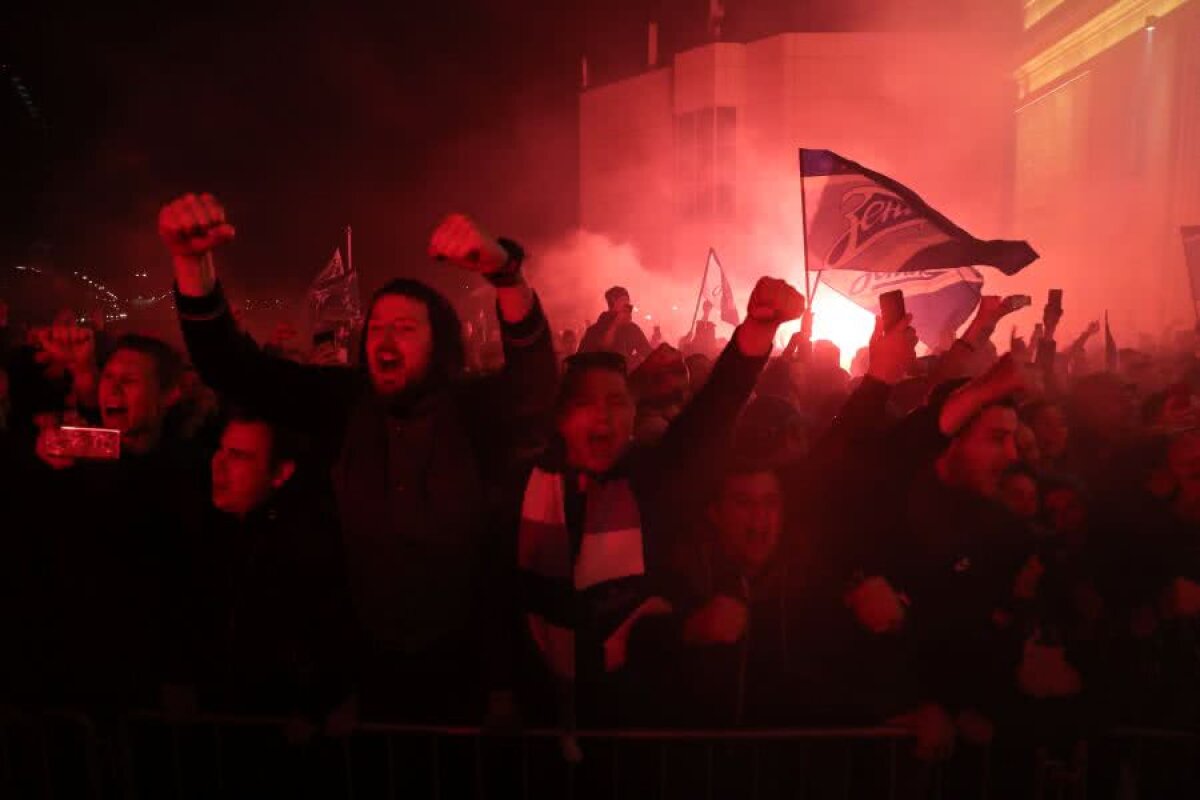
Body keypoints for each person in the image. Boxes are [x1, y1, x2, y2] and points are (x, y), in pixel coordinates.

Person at [158, 192, 559, 722]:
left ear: (440, 344)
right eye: (377, 328)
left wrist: (506, 276)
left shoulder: (474, 412)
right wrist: (191, 264)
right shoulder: (342, 405)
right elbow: (236, 370)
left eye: (405, 328)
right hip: (360, 675)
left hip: (470, 674)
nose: (384, 339)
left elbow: (534, 383)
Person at [500, 277, 804, 735]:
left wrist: (757, 331)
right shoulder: (524, 487)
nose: (603, 415)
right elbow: (496, 593)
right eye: (585, 402)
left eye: (616, 402)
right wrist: (498, 692)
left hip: (638, 718)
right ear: (560, 418)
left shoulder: (651, 479)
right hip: (540, 716)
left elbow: (710, 415)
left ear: (632, 413)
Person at [180, 411, 353, 724]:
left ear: (280, 473)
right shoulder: (207, 532)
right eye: (220, 450)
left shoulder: (305, 544)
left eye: (239, 456)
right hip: (218, 715)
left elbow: (323, 629)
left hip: (274, 720)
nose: (219, 464)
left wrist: (311, 703)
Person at [578, 286, 651, 364]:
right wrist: (615, 325)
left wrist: (637, 359)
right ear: (613, 302)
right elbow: (602, 350)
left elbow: (648, 352)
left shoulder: (632, 329)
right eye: (623, 300)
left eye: (628, 300)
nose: (628, 305)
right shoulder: (595, 330)